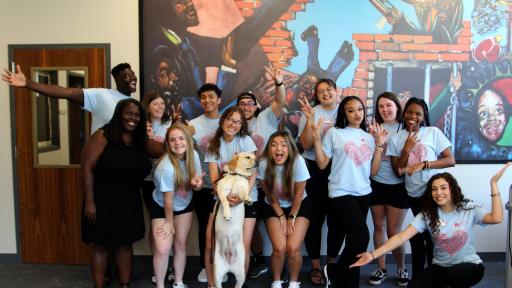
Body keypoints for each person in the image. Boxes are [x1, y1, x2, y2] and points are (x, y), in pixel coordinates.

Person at [350, 163, 511, 288]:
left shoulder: (468, 208)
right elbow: (400, 237)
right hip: (441, 268)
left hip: (470, 267)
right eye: (434, 189)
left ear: (452, 190)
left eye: (443, 188)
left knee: (455, 275)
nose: (438, 193)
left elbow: (496, 218)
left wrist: (494, 184)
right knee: (414, 285)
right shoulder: (427, 214)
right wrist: (372, 255)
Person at [312, 96, 387, 288]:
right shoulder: (335, 133)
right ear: (344, 113)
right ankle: (334, 270)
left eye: (360, 109)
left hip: (363, 192)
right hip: (340, 191)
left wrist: (379, 144)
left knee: (355, 240)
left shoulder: (370, 137)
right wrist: (316, 140)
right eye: (351, 110)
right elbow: (322, 164)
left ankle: (349, 281)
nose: (356, 114)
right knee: (362, 235)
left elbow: (373, 171)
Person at [81, 99, 151, 288]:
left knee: (125, 244)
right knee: (100, 244)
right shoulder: (103, 135)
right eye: (129, 113)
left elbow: (163, 148)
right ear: (119, 113)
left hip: (129, 200)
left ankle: (124, 284)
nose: (133, 118)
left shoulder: (138, 140)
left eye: (137, 115)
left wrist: (181, 139)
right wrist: (90, 202)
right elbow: (87, 168)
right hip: (101, 199)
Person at [387, 97, 456, 277]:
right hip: (414, 194)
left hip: (433, 193)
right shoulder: (396, 139)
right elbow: (398, 171)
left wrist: (424, 164)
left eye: (418, 113)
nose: (413, 116)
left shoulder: (432, 132)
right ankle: (418, 278)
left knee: (432, 236)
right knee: (418, 236)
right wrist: (407, 149)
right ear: (403, 113)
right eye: (409, 112)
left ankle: (434, 277)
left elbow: (450, 160)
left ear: (424, 116)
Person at [236, 64, 285, 280]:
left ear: (256, 106)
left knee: (277, 223)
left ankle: (280, 267)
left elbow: (280, 101)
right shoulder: (233, 126)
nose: (246, 106)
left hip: (270, 182)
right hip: (246, 186)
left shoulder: (266, 118)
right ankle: (258, 258)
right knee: (251, 225)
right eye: (241, 104)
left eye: (250, 103)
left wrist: (279, 83)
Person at [204, 106, 258, 288]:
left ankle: (239, 284)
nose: (233, 124)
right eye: (230, 119)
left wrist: (243, 197)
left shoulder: (246, 141)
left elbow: (253, 173)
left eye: (238, 122)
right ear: (222, 120)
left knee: (244, 244)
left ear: (242, 125)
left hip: (247, 197)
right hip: (221, 198)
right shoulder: (213, 145)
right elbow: (214, 179)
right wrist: (226, 198)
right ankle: (213, 284)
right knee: (210, 242)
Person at [2, 63, 137, 133]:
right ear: (117, 81)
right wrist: (28, 83)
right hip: (104, 165)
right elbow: (65, 92)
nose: (132, 78)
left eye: (133, 74)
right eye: (126, 76)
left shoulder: (134, 105)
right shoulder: (102, 95)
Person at [297, 79, 342, 286]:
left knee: (337, 221)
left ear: (336, 91)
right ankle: (315, 265)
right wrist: (308, 119)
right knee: (314, 220)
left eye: (329, 90)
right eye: (321, 91)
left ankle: (331, 265)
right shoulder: (310, 111)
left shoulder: (346, 110)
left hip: (339, 170)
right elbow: (305, 144)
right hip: (313, 170)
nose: (325, 94)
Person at [150, 123, 203, 288]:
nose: (177, 143)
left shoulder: (193, 154)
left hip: (184, 204)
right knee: (163, 249)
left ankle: (178, 282)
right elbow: (168, 201)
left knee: (180, 244)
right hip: (163, 206)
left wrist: (197, 184)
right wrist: (169, 223)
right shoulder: (165, 168)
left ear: (187, 140)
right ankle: (160, 285)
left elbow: (198, 183)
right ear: (168, 143)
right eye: (172, 140)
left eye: (181, 138)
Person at [258, 131, 311, 288]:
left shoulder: (298, 161)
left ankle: (294, 281)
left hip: (299, 205)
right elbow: (269, 193)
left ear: (290, 148)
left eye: (283, 144)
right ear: (269, 148)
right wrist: (281, 215)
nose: (278, 148)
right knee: (280, 248)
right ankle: (276, 281)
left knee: (293, 248)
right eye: (274, 145)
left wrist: (291, 217)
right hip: (273, 206)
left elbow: (299, 193)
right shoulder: (264, 164)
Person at [367, 92, 409, 286]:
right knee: (379, 227)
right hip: (376, 183)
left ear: (397, 106)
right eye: (381, 106)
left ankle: (401, 268)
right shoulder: (374, 128)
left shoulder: (405, 128)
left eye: (389, 105)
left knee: (394, 231)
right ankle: (381, 268)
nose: (385, 109)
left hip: (399, 186)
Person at [187, 83, 225, 283]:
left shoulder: (227, 122)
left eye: (211, 97)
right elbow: (187, 155)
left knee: (225, 229)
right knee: (205, 228)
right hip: (204, 186)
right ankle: (205, 266)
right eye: (203, 97)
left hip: (226, 187)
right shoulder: (193, 125)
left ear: (219, 100)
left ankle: (222, 266)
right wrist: (186, 134)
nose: (207, 100)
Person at [140, 91, 173, 283]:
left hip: (169, 182)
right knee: (156, 225)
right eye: (155, 104)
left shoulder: (171, 125)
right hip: (148, 181)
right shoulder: (142, 127)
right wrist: (145, 139)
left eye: (162, 104)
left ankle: (170, 267)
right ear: (148, 107)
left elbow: (177, 151)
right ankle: (159, 266)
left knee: (171, 224)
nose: (160, 107)